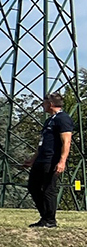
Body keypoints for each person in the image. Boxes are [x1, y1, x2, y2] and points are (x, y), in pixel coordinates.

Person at [30, 92, 74, 228]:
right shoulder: (49, 120)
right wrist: (33, 159)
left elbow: (66, 141)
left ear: (50, 104)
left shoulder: (63, 118)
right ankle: (44, 216)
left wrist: (62, 161)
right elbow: (42, 142)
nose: (42, 106)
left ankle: (50, 220)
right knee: (33, 186)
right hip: (41, 159)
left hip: (51, 160)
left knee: (49, 189)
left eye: (44, 103)